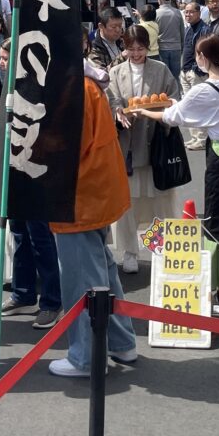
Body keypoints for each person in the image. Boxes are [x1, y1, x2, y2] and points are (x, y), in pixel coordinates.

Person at [136, 35, 219, 316]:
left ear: (202, 57)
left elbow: (172, 116)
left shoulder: (204, 89)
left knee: (218, 223)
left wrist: (144, 112)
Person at [48, 68, 137, 377]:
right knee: (102, 272)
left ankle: (86, 357)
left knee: (82, 278)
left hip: (80, 194)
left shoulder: (73, 87)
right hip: (97, 189)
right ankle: (121, 342)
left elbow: (64, 146)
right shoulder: (86, 83)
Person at [0, 38, 62, 330]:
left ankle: (52, 301)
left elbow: (32, 122)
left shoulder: (35, 84)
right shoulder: (9, 83)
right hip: (13, 167)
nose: (1, 63)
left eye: (6, 58)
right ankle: (24, 293)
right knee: (18, 232)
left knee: (40, 235)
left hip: (34, 169)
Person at [105, 25, 181, 273]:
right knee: (128, 203)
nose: (136, 54)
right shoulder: (116, 72)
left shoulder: (160, 69)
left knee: (161, 201)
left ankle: (164, 248)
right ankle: (130, 251)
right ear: (125, 48)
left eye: (140, 48)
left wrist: (160, 109)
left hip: (157, 144)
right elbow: (112, 100)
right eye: (131, 49)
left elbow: (174, 97)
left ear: (148, 47)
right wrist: (118, 113)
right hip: (128, 146)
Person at [180, 0, 210, 150]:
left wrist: (196, 68)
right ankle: (194, 138)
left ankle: (202, 139)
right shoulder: (188, 28)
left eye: (191, 12)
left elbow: (205, 51)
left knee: (199, 106)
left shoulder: (204, 29)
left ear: (199, 13)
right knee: (189, 106)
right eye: (186, 12)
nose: (188, 14)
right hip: (185, 71)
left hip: (196, 73)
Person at [155, 0, 185, 78]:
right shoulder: (177, 12)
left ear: (160, 0)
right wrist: (182, 46)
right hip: (176, 47)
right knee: (175, 76)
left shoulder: (156, 13)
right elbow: (182, 31)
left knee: (164, 76)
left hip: (161, 47)